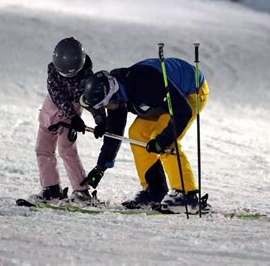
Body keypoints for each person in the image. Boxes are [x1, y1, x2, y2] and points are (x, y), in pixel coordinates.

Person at [79, 57, 209, 213]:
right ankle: (154, 190)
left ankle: (188, 195)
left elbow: (183, 112)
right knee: (137, 132)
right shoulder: (118, 93)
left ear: (113, 96)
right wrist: (101, 167)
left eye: (106, 105)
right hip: (164, 101)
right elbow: (115, 133)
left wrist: (164, 140)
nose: (107, 108)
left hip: (191, 93)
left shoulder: (147, 85)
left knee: (161, 137)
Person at [31, 37, 94, 204]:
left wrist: (100, 118)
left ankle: (82, 191)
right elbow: (57, 95)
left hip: (69, 116)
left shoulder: (87, 77)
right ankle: (51, 188)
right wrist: (73, 117)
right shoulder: (52, 71)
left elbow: (92, 99)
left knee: (67, 150)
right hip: (51, 113)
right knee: (42, 149)